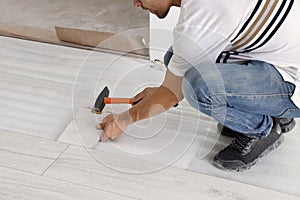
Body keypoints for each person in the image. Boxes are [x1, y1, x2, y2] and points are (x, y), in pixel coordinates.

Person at [97, 0, 300, 171]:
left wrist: (124, 119)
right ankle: (275, 113)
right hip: (276, 58)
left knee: (198, 87)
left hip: (292, 76)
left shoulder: (201, 17)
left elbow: (172, 93)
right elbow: (173, 82)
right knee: (175, 59)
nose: (136, 3)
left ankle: (263, 130)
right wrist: (159, 92)